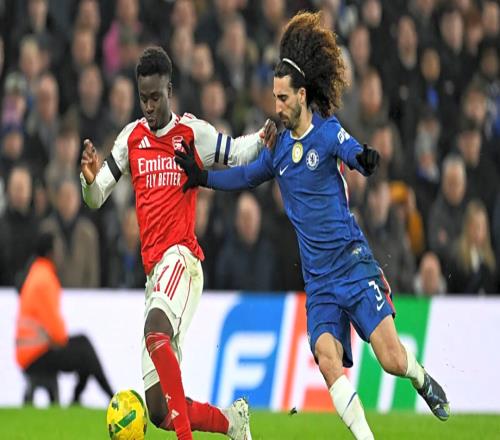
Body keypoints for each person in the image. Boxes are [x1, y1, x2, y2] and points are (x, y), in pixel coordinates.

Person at [175, 12, 450, 440]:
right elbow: (246, 176)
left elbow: (352, 151)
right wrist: (202, 177)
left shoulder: (327, 133)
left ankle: (420, 377)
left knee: (392, 359)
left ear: (302, 95)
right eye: (274, 98)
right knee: (326, 357)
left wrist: (365, 160)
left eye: (283, 98)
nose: (277, 106)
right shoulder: (278, 149)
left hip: (351, 263)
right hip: (319, 281)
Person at [80, 46, 276, 440]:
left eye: (156, 97)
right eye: (143, 98)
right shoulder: (131, 138)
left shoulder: (191, 133)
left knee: (155, 331)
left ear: (169, 90)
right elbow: (97, 197)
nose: (149, 106)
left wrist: (262, 137)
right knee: (158, 410)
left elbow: (235, 152)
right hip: (155, 273)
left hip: (182, 259)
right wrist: (87, 180)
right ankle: (232, 423)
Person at [15, 232, 114, 404]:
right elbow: (57, 334)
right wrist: (59, 338)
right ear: (50, 253)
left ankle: (81, 398)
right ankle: (110, 397)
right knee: (85, 349)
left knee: (83, 347)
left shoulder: (35, 274)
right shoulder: (45, 280)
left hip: (27, 353)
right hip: (36, 355)